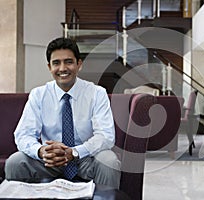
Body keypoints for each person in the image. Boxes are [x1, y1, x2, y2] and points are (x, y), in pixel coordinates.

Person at [5, 37, 121, 188]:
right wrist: (41, 151)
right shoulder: (39, 94)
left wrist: (74, 152)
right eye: (56, 63)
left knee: (109, 161)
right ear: (49, 67)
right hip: (49, 160)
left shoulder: (97, 93)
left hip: (84, 158)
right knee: (15, 162)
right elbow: (23, 134)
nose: (62, 68)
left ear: (79, 64)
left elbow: (105, 136)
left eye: (68, 62)